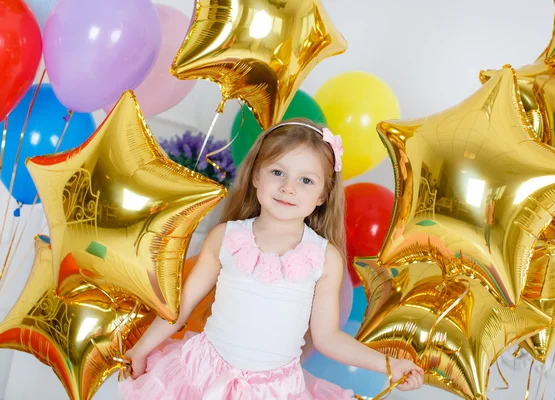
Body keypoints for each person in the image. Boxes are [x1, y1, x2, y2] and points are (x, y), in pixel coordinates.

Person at [118, 118, 424, 399]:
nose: (288, 188)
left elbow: (328, 337)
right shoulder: (225, 238)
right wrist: (142, 348)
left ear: (322, 196)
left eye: (306, 181)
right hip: (202, 375)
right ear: (255, 176)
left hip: (273, 392)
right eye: (277, 172)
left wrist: (388, 364)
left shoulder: (323, 258)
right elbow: (180, 309)